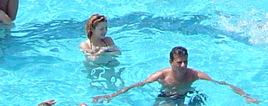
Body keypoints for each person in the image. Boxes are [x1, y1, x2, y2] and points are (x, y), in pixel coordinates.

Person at [93, 45, 258, 103]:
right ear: (171, 62)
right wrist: (113, 95)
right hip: (167, 96)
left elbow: (222, 83)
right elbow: (137, 85)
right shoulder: (161, 76)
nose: (183, 65)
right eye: (179, 62)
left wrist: (245, 96)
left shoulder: (194, 75)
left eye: (185, 62)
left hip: (188, 94)